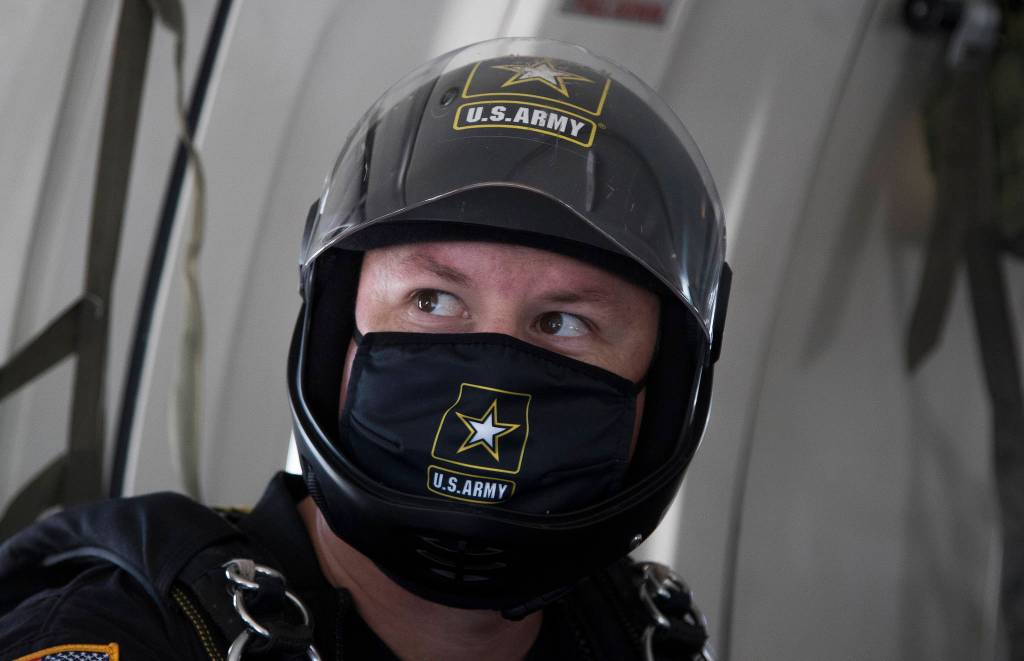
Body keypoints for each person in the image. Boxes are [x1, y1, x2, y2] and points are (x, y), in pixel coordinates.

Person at [0, 37, 729, 660]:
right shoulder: (126, 633)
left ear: (662, 391)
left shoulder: (642, 637)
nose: (493, 366)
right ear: (332, 337)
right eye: (432, 301)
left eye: (564, 322)